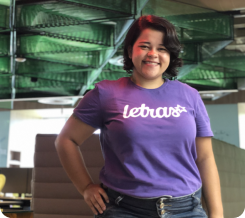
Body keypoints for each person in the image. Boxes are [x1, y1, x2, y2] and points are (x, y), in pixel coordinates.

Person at [55, 15, 224, 218]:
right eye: (145, 46)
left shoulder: (190, 96)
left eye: (162, 48)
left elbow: (205, 158)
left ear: (170, 54)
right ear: (130, 50)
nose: (153, 54)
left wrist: (217, 214)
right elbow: (66, 140)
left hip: (186, 210)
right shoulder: (105, 93)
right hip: (124, 210)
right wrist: (85, 187)